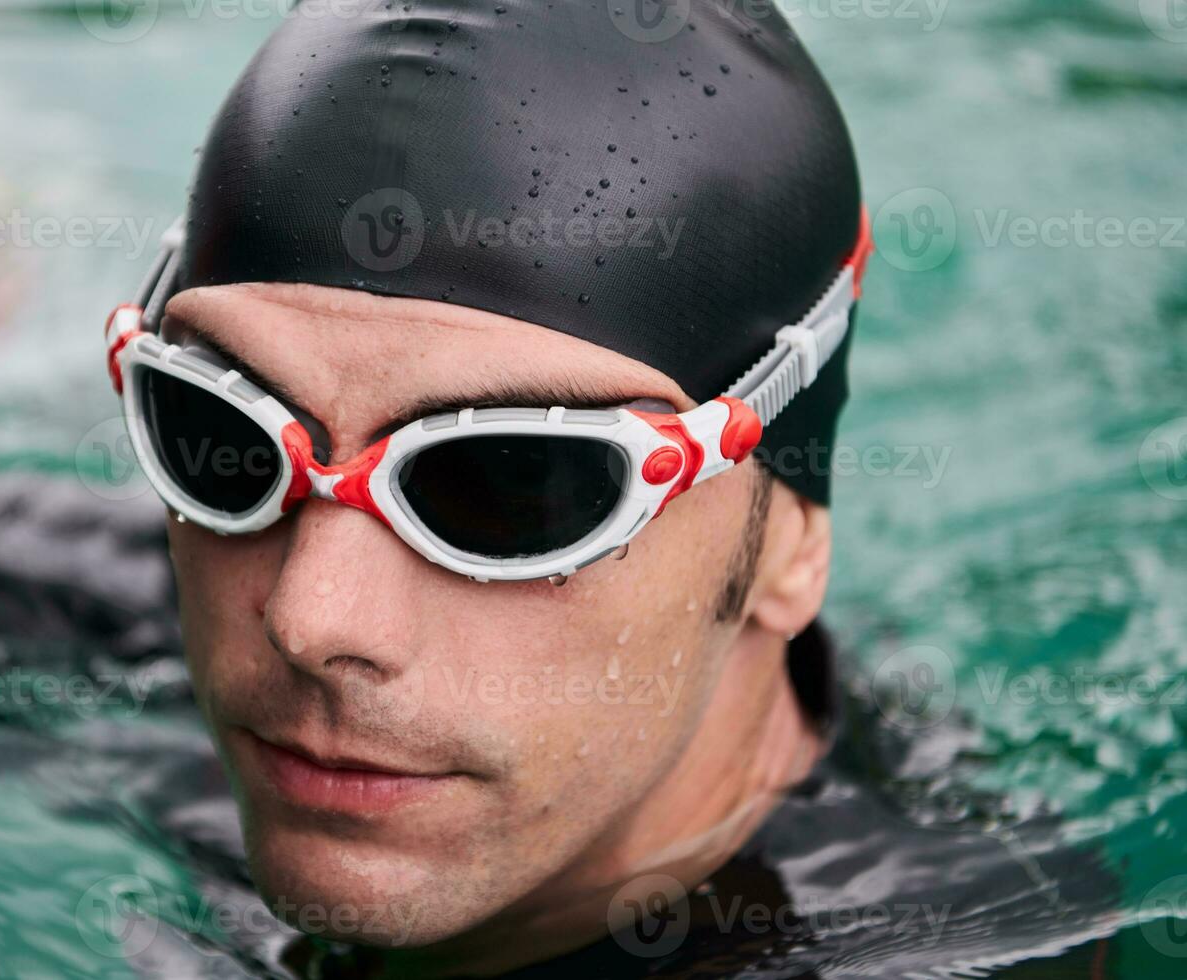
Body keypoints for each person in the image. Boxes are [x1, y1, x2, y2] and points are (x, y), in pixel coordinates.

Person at [92, 0, 1109, 975]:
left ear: (791, 538)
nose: (310, 619)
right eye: (222, 429)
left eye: (508, 485)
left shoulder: (965, 949)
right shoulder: (106, 656)